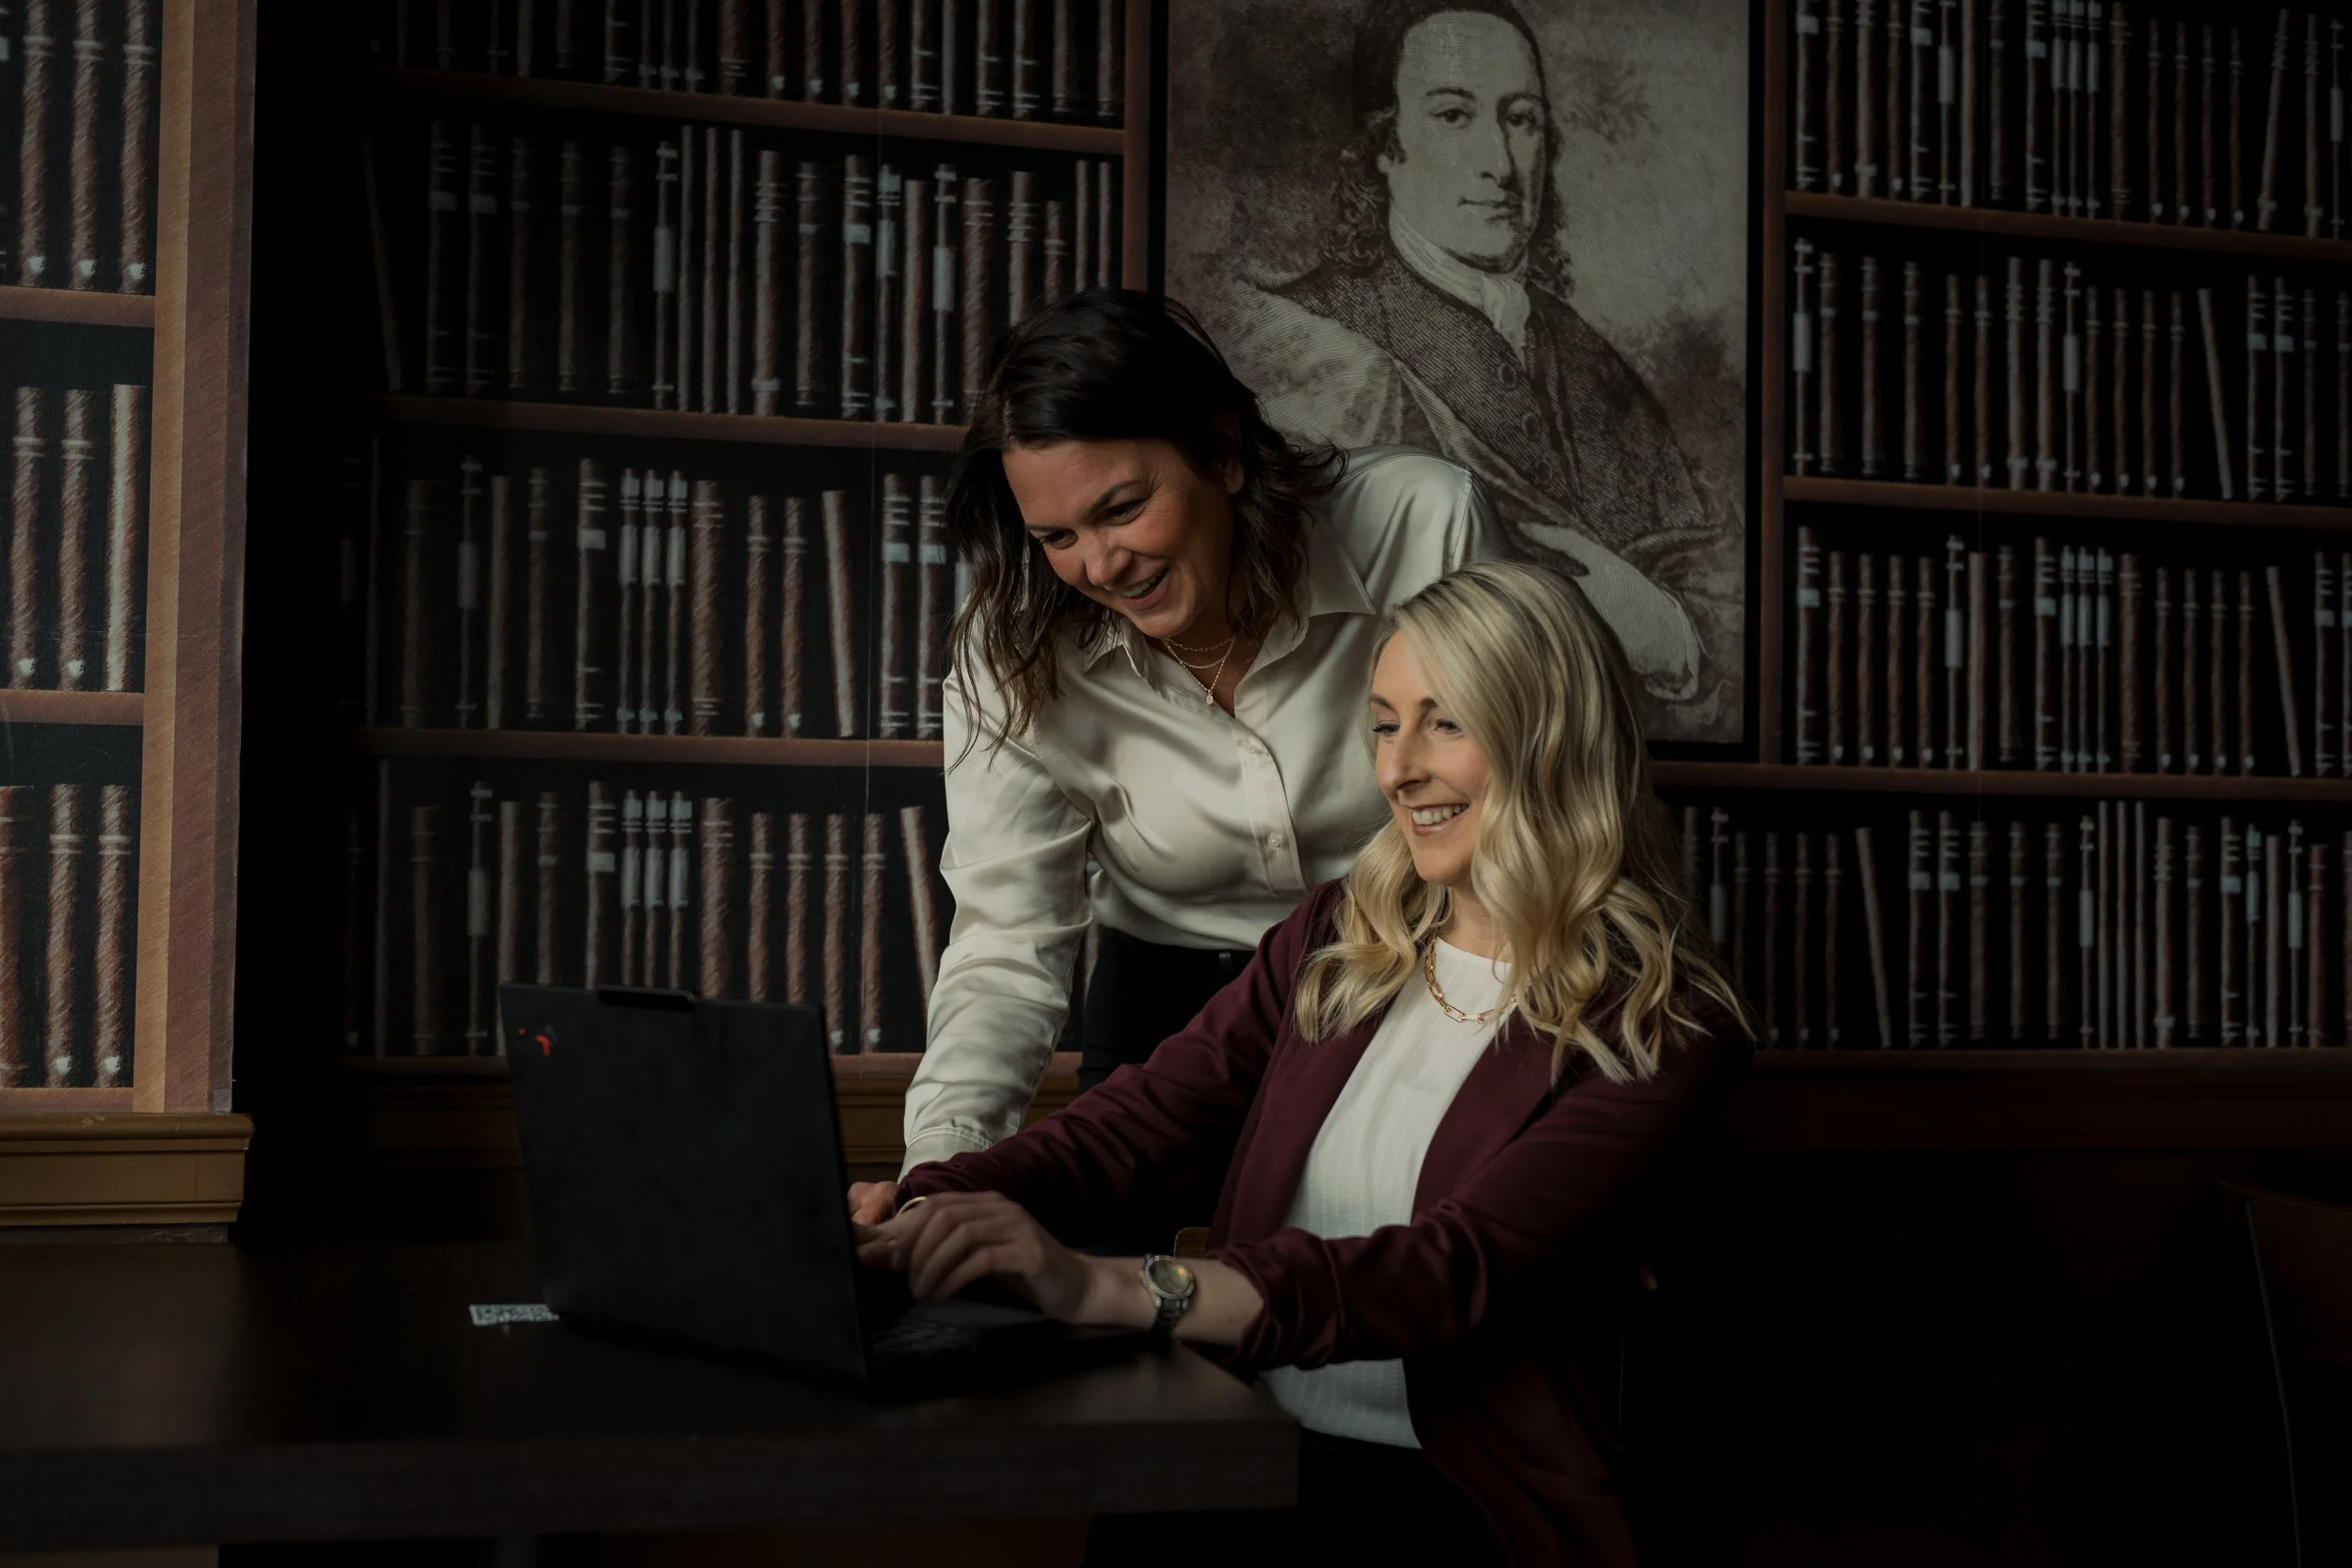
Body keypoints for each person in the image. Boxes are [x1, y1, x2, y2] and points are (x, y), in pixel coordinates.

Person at [856, 562, 1753, 1564]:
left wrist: (1110, 1288)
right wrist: (928, 1203)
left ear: (1548, 738)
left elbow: (1447, 1273)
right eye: (1382, 722)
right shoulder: (1336, 936)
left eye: (1443, 723)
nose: (1398, 767)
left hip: (1453, 1498)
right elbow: (1139, 1122)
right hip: (1243, 1448)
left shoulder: (1664, 1026)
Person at [850, 290, 1511, 1225]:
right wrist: (944, 1170)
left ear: (1224, 452)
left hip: (1412, 967)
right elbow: (1007, 935)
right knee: (1086, 1296)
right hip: (1167, 1001)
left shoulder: (1421, 524)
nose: (1100, 565)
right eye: (1055, 536)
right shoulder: (1010, 649)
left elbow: (1537, 795)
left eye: (1122, 508)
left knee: (1367, 1278)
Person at [1214, 0, 1724, 716]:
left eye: (1521, 120)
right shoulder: (1319, 337)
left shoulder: (1594, 362)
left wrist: (1666, 630)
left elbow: (1711, 584)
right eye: (1454, 115)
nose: (1500, 164)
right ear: (1385, 148)